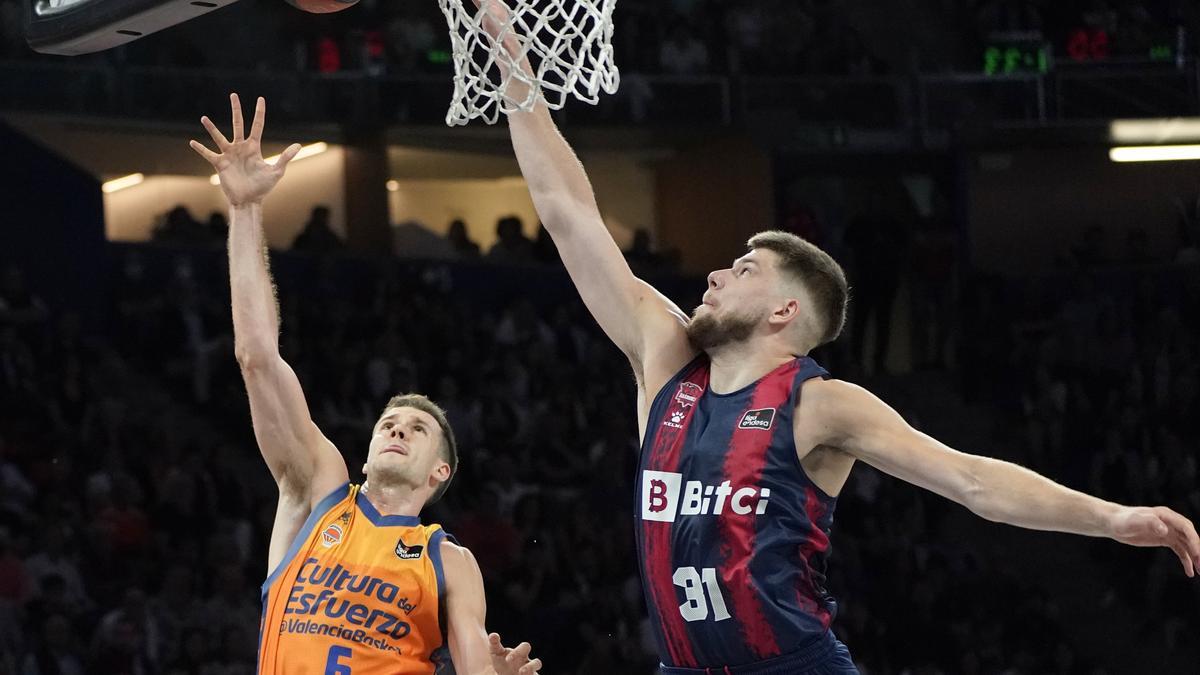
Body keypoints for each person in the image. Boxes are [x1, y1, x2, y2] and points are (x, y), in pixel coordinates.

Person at [480, 3, 1200, 672]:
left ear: (785, 311)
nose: (714, 275)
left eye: (743, 268)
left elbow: (972, 480)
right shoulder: (663, 356)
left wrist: (1111, 516)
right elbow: (567, 208)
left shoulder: (819, 405)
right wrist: (510, 51)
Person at [189, 93, 541, 675]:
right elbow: (256, 356)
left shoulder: (448, 561)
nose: (398, 427)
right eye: (389, 422)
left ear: (439, 472)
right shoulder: (318, 491)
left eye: (417, 428)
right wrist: (246, 210)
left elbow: (475, 665)